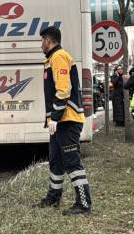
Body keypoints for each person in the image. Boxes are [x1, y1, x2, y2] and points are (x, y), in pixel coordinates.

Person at [34, 26, 92, 215]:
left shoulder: (58, 57)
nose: (41, 44)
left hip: (67, 120)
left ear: (49, 41)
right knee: (56, 160)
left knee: (72, 162)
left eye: (42, 40)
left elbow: (63, 90)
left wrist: (55, 117)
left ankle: (83, 203)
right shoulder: (51, 59)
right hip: (60, 121)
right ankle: (53, 198)